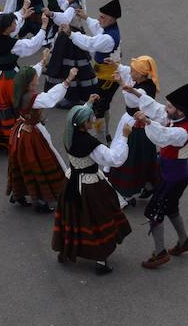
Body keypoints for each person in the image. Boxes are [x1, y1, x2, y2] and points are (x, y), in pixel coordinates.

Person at [52, 96, 133, 275]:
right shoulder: (90, 144)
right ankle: (100, 259)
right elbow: (114, 159)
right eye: (90, 118)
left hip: (71, 182)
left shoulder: (69, 136)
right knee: (98, 220)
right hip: (90, 187)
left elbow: (75, 117)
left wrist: (88, 103)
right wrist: (125, 138)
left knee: (73, 218)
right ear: (83, 124)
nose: (94, 119)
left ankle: (67, 250)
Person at [133, 81, 188, 269]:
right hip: (176, 174)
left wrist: (147, 122)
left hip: (173, 178)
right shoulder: (180, 119)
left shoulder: (182, 131)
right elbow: (158, 110)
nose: (166, 108)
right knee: (170, 208)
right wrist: (136, 93)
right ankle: (184, 241)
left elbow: (163, 135)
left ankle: (160, 252)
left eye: (170, 106)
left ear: (180, 111)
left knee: (154, 212)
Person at [0, 4, 49, 151]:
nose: (16, 25)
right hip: (7, 79)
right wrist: (44, 27)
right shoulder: (12, 44)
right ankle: (14, 137)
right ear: (7, 28)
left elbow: (11, 27)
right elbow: (32, 45)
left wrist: (22, 15)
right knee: (16, 105)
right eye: (13, 23)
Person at [6, 59, 73, 212]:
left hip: (20, 132)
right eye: (35, 77)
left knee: (23, 164)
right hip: (32, 136)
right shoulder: (33, 99)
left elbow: (29, 73)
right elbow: (51, 98)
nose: (38, 77)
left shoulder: (18, 90)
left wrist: (42, 61)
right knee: (40, 164)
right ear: (30, 82)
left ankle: (19, 193)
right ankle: (40, 201)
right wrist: (67, 80)